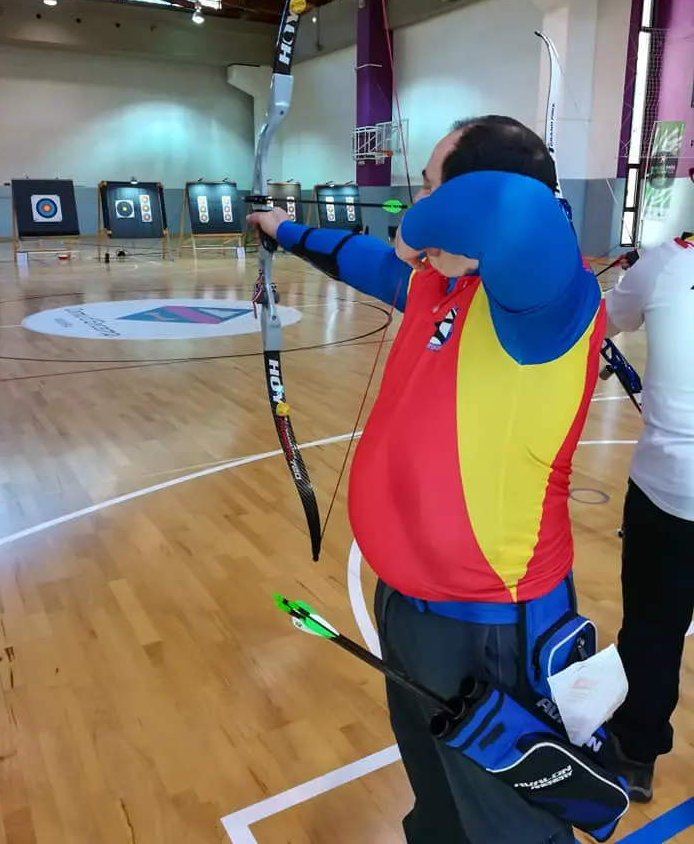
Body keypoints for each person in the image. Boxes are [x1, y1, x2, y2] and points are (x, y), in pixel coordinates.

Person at [248, 115, 605, 843]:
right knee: (439, 806)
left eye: (431, 185)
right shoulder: (436, 289)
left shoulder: (546, 304)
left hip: (493, 627)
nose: (417, 199)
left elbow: (518, 207)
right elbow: (358, 257)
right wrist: (283, 229)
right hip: (407, 609)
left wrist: (414, 227)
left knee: (510, 828)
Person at [605, 236, 694, 803]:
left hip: (668, 495)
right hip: (670, 490)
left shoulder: (669, 262)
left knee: (653, 628)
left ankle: (635, 754)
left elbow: (602, 322)